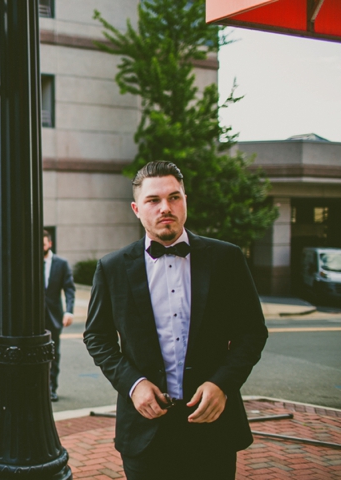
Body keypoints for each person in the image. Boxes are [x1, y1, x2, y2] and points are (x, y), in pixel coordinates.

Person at [83, 161, 268, 480]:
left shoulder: (227, 259)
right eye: (153, 200)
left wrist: (222, 383)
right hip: (144, 429)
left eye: (174, 197)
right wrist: (133, 384)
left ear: (185, 201)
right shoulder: (111, 268)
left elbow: (252, 333)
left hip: (213, 424)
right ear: (136, 209)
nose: (165, 207)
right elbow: (97, 337)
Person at [43, 230, 76, 402]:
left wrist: (69, 311)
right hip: (33, 318)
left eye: (43, 244)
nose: (40, 247)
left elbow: (69, 288)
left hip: (54, 316)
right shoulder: (31, 262)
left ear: (50, 244)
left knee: (53, 353)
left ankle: (51, 388)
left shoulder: (61, 263)